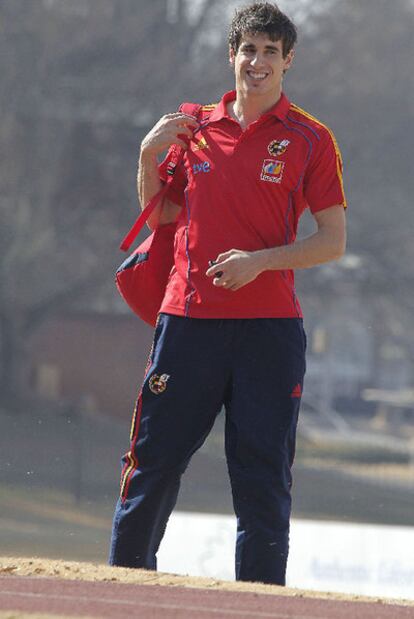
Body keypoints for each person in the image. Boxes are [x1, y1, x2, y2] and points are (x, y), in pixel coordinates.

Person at [109, 2, 346, 585]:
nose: (257, 62)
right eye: (248, 49)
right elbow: (161, 212)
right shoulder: (193, 128)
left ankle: (259, 600)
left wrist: (259, 263)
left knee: (262, 472)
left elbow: (333, 241)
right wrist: (147, 153)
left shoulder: (311, 139)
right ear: (231, 56)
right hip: (187, 321)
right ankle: (119, 591)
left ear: (288, 61)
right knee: (154, 464)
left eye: (271, 51)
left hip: (269, 329)